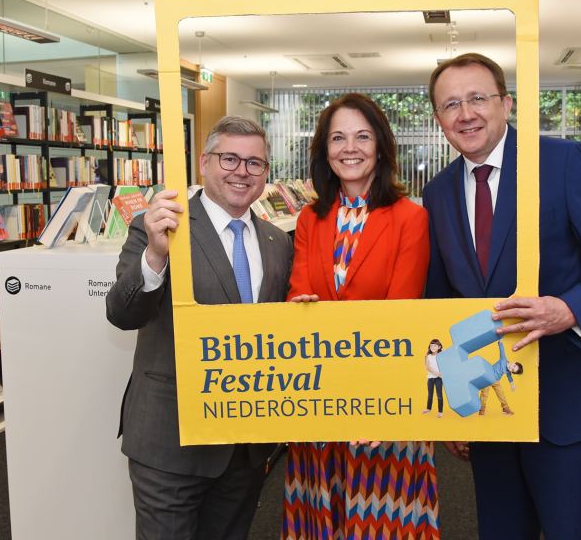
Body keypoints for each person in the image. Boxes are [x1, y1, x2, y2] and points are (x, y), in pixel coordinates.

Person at [422, 53, 581, 539]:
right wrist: (456, 402)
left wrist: (570, 309)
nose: (466, 114)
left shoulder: (561, 162)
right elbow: (441, 302)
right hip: (493, 408)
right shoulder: (438, 193)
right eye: (451, 104)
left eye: (478, 98)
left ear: (506, 104)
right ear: (439, 119)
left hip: (572, 404)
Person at [106, 116, 293, 540]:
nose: (242, 172)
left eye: (255, 163)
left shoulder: (277, 242)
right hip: (170, 442)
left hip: (243, 448)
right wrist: (156, 256)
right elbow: (122, 313)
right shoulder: (160, 226)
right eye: (230, 159)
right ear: (204, 162)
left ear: (265, 172)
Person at [283, 93, 436, 539]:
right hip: (319, 396)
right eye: (338, 138)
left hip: (383, 398)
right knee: (322, 516)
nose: (349, 148)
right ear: (324, 150)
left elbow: (401, 317)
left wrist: (374, 404)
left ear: (381, 147)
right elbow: (298, 293)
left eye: (362, 136)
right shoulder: (310, 218)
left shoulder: (410, 218)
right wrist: (300, 309)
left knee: (382, 520)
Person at [424, 338, 445, 417]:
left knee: (439, 395)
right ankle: (428, 408)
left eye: (435, 346)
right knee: (430, 395)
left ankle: (440, 411)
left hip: (439, 379)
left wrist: (441, 349)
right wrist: (436, 373)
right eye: (431, 346)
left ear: (439, 347)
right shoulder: (428, 356)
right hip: (430, 378)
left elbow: (446, 352)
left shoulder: (441, 355)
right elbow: (428, 367)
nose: (432, 347)